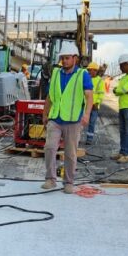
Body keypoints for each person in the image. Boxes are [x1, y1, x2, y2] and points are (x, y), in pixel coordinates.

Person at [41, 41, 93, 195]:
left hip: (73, 121)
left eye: (67, 58)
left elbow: (89, 96)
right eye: (62, 58)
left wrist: (87, 114)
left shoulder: (82, 74)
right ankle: (50, 179)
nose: (64, 61)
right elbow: (50, 96)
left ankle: (68, 182)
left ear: (75, 58)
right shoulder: (56, 73)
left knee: (70, 153)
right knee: (50, 148)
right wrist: (45, 114)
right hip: (55, 119)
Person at [84, 62, 104, 145]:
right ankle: (77, 137)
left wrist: (97, 103)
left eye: (90, 70)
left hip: (94, 106)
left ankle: (89, 138)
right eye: (88, 70)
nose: (88, 72)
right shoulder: (85, 78)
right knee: (81, 122)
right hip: (85, 105)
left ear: (95, 71)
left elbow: (101, 94)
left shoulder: (99, 80)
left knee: (92, 123)